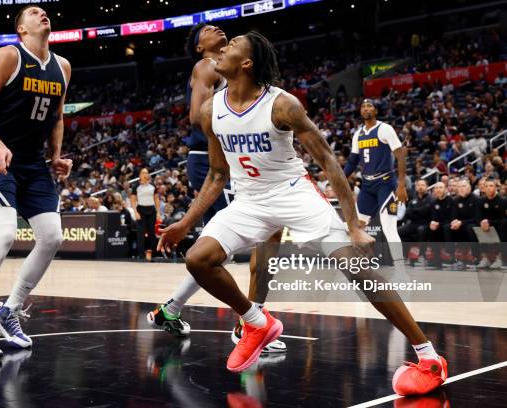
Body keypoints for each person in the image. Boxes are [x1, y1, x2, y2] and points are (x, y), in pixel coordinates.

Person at [158, 31, 446, 395]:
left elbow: (327, 159)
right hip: (249, 200)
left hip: (293, 193)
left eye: (233, 46)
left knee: (356, 268)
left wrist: (353, 223)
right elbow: (217, 173)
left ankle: (428, 355)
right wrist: (185, 223)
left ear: (247, 63)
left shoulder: (283, 105)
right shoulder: (209, 110)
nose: (224, 46)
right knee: (199, 259)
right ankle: (256, 322)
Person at [146, 23, 285, 354]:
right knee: (239, 244)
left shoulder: (227, 68)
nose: (216, 28)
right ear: (199, 47)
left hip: (224, 160)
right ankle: (249, 323)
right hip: (215, 163)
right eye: (206, 29)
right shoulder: (206, 65)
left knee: (241, 244)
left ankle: (171, 310)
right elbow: (197, 115)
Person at [0, 5, 72, 362]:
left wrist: (56, 155)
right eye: (34, 13)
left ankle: (9, 312)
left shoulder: (63, 67)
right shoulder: (6, 56)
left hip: (34, 162)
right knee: (4, 234)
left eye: (45, 11)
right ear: (21, 28)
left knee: (52, 237)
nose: (43, 14)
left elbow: (57, 117)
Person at [344, 99, 408, 267]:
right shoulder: (358, 134)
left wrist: (401, 186)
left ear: (376, 110)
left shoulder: (385, 129)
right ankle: (359, 261)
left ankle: (401, 270)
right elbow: (352, 162)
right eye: (363, 107)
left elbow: (400, 156)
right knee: (357, 226)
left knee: (389, 228)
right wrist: (340, 179)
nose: (366, 109)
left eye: (369, 106)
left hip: (385, 184)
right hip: (367, 186)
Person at [130, 168, 160, 261]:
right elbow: (133, 200)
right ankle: (141, 255)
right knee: (140, 233)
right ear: (140, 175)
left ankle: (154, 254)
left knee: (152, 233)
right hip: (141, 210)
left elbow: (156, 199)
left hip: (151, 210)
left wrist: (158, 212)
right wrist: (135, 212)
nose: (145, 174)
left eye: (146, 173)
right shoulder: (136, 186)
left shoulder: (152, 186)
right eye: (143, 173)